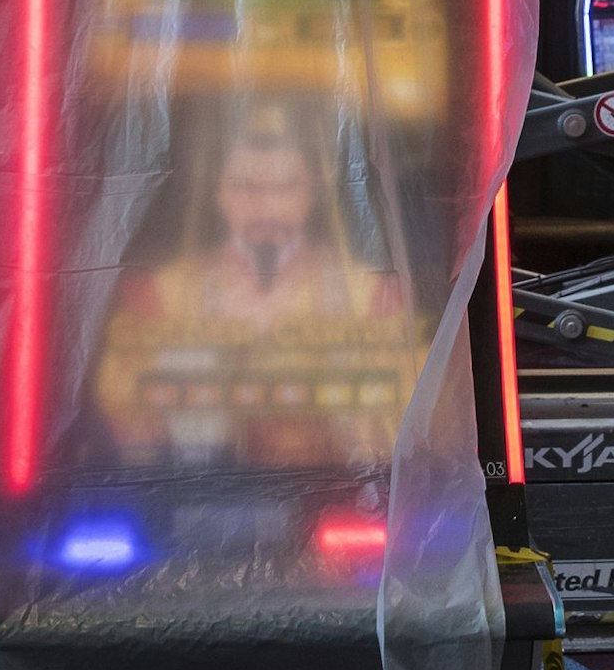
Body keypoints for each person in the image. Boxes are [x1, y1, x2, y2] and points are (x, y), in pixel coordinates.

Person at [88, 103, 418, 473]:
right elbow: (124, 424)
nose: (266, 206)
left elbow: (405, 425)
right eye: (246, 186)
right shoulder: (158, 296)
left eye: (284, 186)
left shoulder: (373, 298)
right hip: (192, 497)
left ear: (311, 193)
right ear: (219, 193)